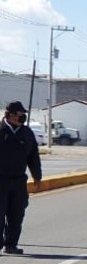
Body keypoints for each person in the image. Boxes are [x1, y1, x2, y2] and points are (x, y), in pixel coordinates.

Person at [0, 101, 42, 255]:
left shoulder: (27, 133)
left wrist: (37, 176)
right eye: (20, 114)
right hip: (1, 180)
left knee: (16, 214)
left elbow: (33, 156)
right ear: (10, 115)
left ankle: (11, 245)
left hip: (18, 180)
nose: (23, 117)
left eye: (24, 114)